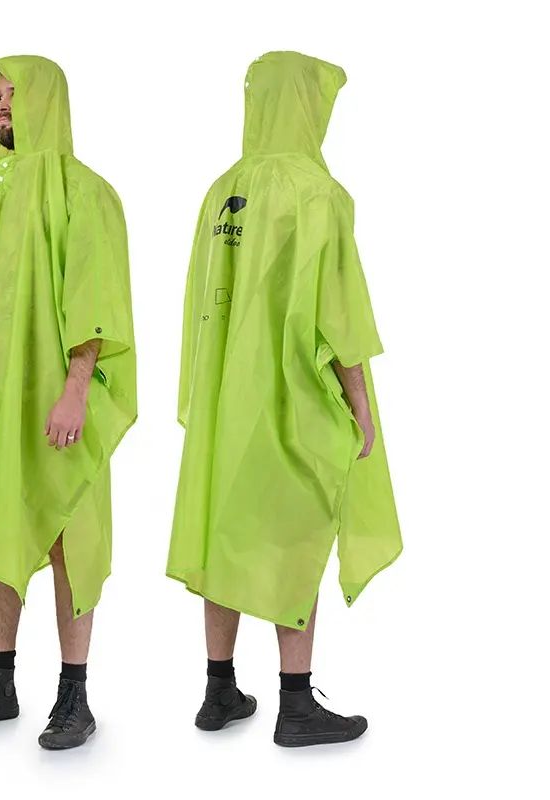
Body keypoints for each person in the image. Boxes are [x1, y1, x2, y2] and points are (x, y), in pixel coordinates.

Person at [166, 51, 403, 747]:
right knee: (296, 537)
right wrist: (361, 406)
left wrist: (200, 393)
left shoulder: (221, 191)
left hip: (223, 400)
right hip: (292, 398)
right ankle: (296, 706)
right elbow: (341, 315)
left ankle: (218, 691)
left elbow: (198, 301)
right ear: (305, 105)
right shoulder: (320, 195)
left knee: (226, 532)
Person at [0, 55, 136, 750]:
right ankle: (0, 682)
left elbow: (96, 295)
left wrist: (76, 388)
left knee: (69, 530)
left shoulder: (85, 192)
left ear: (48, 100)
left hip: (58, 399)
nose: (2, 105)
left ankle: (74, 694)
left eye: (14, 93)